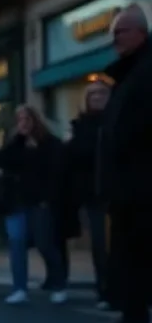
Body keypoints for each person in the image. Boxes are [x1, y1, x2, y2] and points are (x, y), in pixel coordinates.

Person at [97, 4, 152, 323]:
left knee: (141, 249)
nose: (114, 38)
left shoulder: (145, 72)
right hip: (126, 186)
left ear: (140, 33)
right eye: (112, 32)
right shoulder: (128, 73)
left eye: (121, 31)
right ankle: (132, 314)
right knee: (129, 251)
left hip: (141, 182)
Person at [0, 105, 67, 305]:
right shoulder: (15, 144)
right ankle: (19, 288)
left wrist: (49, 198)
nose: (23, 124)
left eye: (27, 119)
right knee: (16, 243)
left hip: (40, 201)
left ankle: (59, 283)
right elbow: (2, 162)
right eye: (19, 120)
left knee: (45, 243)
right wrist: (16, 140)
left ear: (35, 120)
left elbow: (56, 173)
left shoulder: (49, 143)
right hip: (17, 201)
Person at [64, 80, 111, 309]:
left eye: (103, 92)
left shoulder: (118, 120)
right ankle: (105, 290)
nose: (98, 97)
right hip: (94, 194)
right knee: (101, 245)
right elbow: (75, 159)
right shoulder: (81, 126)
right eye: (93, 94)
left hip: (122, 191)